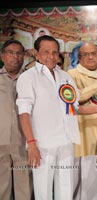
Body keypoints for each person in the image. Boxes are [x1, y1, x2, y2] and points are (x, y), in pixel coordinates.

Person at [16, 35, 97, 200]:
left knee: (66, 191)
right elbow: (24, 112)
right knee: (43, 192)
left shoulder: (65, 76)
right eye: (46, 52)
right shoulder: (28, 77)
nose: (51, 56)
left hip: (67, 142)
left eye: (55, 52)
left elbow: (74, 108)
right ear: (36, 53)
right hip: (42, 145)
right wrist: (31, 144)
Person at [68, 42, 97, 200]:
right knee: (86, 182)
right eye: (86, 54)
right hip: (84, 135)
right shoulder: (72, 75)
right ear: (79, 57)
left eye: (93, 53)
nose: (90, 57)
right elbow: (75, 100)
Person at [0, 39, 32, 200]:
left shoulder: (30, 79)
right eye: (10, 53)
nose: (15, 57)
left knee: (24, 187)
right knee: (1, 187)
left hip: (24, 140)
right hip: (1, 141)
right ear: (3, 56)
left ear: (24, 56)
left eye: (19, 53)